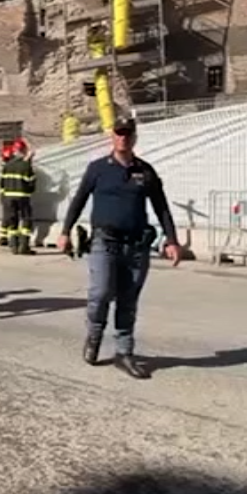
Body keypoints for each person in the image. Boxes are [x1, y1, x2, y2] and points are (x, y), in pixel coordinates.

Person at [57, 118, 181, 380]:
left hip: (136, 245)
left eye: (128, 134)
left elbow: (161, 208)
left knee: (128, 300)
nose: (123, 138)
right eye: (119, 133)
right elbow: (78, 200)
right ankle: (94, 334)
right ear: (112, 136)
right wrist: (65, 232)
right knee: (100, 293)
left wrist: (172, 240)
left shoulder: (145, 172)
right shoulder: (98, 169)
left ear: (134, 137)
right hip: (105, 242)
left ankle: (124, 353)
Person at [1, 138, 37, 254]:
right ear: (24, 150)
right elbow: (31, 183)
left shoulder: (7, 165)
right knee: (26, 219)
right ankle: (24, 245)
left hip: (8, 197)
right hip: (23, 196)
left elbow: (1, 183)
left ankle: (14, 246)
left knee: (13, 221)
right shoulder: (25, 166)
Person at [0, 141, 14, 248]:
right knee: (11, 215)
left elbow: (1, 182)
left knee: (7, 215)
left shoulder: (4, 167)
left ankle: (4, 236)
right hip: (10, 194)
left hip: (5, 195)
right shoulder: (8, 167)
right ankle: (8, 237)